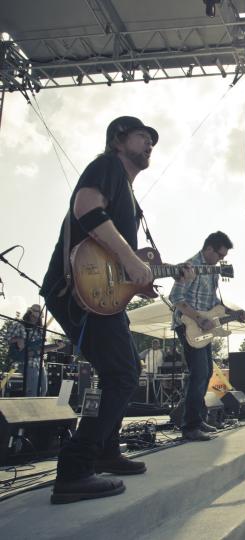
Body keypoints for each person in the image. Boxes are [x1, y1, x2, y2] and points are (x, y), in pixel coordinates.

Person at [40, 117, 169, 503]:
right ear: (118, 139)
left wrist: (140, 280)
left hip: (103, 295)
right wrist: (132, 261)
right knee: (122, 373)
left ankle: (107, 451)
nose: (149, 145)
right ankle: (75, 469)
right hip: (78, 288)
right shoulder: (107, 166)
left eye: (152, 141)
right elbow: (85, 210)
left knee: (123, 367)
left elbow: (121, 264)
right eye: (142, 137)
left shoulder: (130, 197)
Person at [170, 231, 245, 442]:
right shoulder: (190, 266)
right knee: (200, 372)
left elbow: (213, 303)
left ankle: (197, 418)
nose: (221, 260)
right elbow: (175, 298)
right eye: (220, 255)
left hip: (204, 328)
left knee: (205, 372)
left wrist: (232, 314)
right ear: (209, 249)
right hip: (188, 326)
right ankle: (190, 427)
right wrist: (199, 319)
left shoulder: (212, 270)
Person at [6, 305, 48, 396]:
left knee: (43, 390)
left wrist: (57, 346)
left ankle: (38, 409)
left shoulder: (40, 330)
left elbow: (40, 348)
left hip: (40, 363)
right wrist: (18, 339)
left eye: (38, 316)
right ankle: (30, 409)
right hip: (26, 362)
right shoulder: (19, 325)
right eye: (34, 315)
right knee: (33, 391)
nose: (35, 318)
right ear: (29, 313)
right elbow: (7, 338)